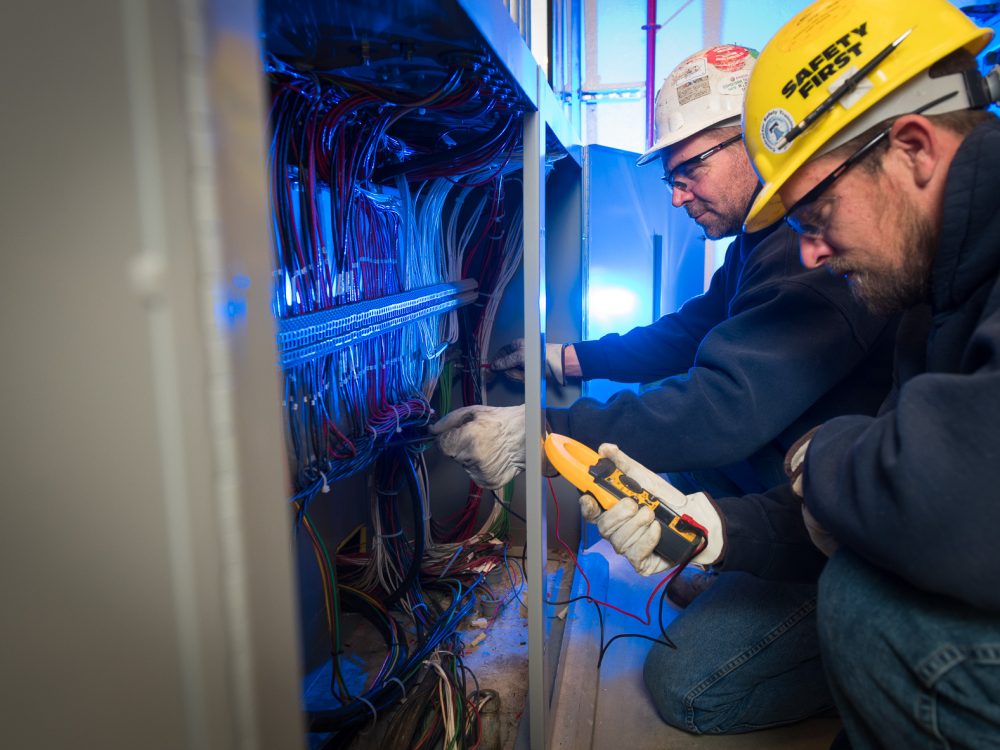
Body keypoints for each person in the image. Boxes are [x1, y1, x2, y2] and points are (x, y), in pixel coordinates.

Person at [432, 46, 899, 734]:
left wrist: (542, 435)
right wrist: (566, 358)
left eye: (690, 171)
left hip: (845, 529)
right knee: (654, 470)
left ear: (755, 141)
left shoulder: (810, 260)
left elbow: (721, 409)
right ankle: (741, 564)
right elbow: (689, 332)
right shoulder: (763, 240)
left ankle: (865, 650)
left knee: (688, 687)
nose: (677, 195)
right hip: (794, 465)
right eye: (671, 176)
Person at [735, 0, 1000, 746]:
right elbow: (885, 470)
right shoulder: (931, 296)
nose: (811, 252)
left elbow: (952, 495)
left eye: (817, 213)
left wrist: (818, 452)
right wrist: (721, 532)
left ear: (913, 147)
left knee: (868, 612)